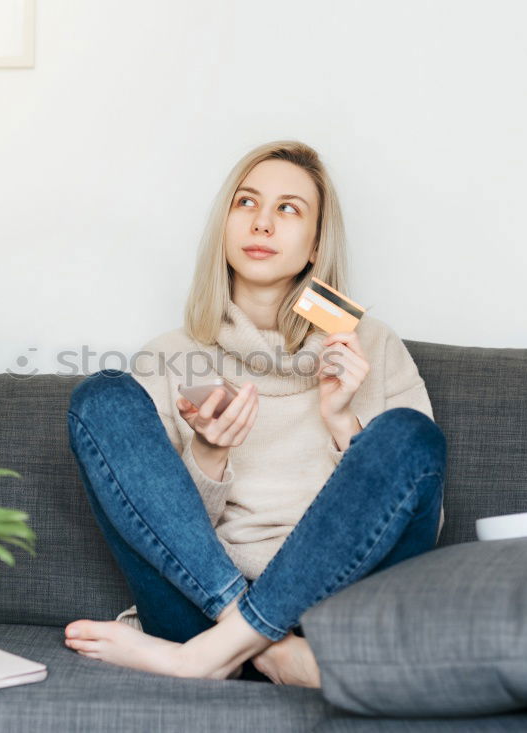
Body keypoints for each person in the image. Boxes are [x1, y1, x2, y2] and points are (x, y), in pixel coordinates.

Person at [63, 140, 447, 687]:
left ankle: (211, 658)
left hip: (342, 608)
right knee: (101, 397)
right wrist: (209, 455)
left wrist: (343, 422)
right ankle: (264, 649)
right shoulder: (172, 355)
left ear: (316, 244)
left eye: (288, 208)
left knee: (409, 436)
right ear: (225, 225)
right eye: (246, 203)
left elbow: (422, 520)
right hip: (199, 610)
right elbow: (157, 528)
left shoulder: (372, 347)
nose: (262, 223)